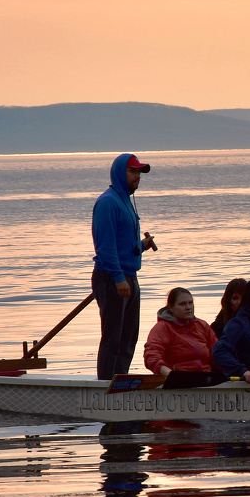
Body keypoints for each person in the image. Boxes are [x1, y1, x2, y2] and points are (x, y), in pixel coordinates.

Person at [91, 153, 156, 379]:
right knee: (114, 337)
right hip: (112, 277)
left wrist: (141, 246)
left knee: (129, 336)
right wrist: (118, 278)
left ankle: (121, 380)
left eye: (139, 172)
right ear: (120, 173)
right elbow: (105, 246)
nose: (137, 176)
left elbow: (121, 244)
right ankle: (106, 385)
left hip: (129, 274)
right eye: (133, 171)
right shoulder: (108, 202)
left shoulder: (125, 200)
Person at [143, 287, 220, 375]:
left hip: (205, 377)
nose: (188, 307)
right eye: (182, 304)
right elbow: (151, 356)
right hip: (176, 379)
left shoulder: (202, 325)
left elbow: (218, 354)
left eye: (190, 303)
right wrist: (169, 374)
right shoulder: (162, 328)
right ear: (171, 308)